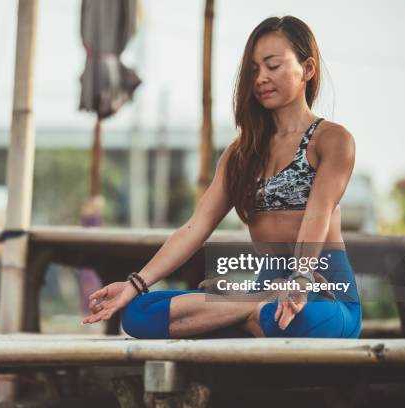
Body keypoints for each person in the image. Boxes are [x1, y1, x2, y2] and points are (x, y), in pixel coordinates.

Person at [81, 15, 361, 339]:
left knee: (285, 318)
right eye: (254, 69)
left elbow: (318, 214)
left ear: (308, 69)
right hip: (266, 293)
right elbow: (195, 227)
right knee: (137, 313)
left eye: (273, 65)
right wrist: (134, 284)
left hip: (325, 295)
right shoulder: (241, 154)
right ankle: (251, 307)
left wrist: (300, 279)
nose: (261, 78)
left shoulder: (332, 140)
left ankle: (241, 311)